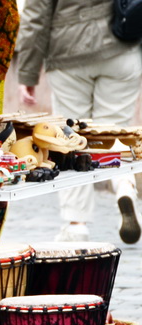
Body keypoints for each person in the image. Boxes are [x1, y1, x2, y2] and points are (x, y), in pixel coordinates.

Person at [16, 0, 142, 244]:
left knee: (69, 139)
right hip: (121, 46)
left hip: (68, 55)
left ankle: (76, 224)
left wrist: (28, 73)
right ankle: (124, 187)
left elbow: (35, 16)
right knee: (114, 132)